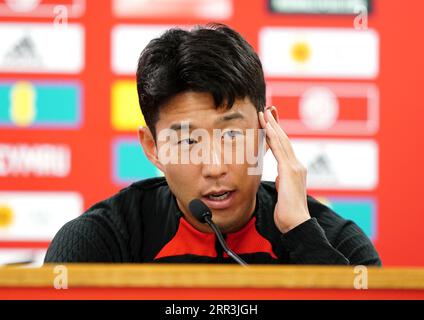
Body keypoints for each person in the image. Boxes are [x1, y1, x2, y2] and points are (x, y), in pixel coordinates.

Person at [44, 24, 381, 265]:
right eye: (188, 141)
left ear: (267, 131)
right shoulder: (96, 245)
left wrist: (301, 232)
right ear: (152, 148)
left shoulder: (338, 245)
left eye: (232, 136)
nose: (215, 167)